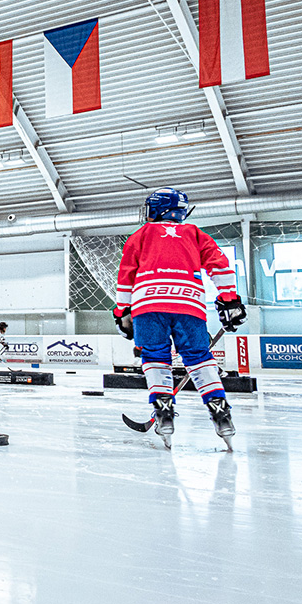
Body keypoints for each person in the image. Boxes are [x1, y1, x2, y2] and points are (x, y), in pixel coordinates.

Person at [113, 188, 245, 448]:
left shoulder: (139, 236)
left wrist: (121, 312)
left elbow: (126, 278)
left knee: (154, 357)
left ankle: (163, 413)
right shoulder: (196, 234)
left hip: (147, 306)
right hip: (190, 304)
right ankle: (220, 412)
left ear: (159, 208)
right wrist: (230, 300)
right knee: (199, 359)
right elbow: (220, 266)